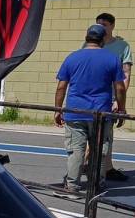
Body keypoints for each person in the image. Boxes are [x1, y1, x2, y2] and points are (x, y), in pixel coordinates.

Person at [54, 24, 126, 191]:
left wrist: (58, 109)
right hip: (101, 113)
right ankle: (96, 185)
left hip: (75, 112)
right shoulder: (112, 58)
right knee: (99, 150)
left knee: (76, 151)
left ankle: (72, 185)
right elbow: (120, 88)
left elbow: (61, 87)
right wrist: (121, 109)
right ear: (102, 40)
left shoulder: (72, 58)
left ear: (86, 38)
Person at [93, 13, 134, 181]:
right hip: (92, 96)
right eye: (98, 24)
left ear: (112, 26)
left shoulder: (122, 46)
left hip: (110, 97)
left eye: (105, 24)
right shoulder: (91, 45)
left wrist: (119, 99)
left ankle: (106, 168)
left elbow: (126, 74)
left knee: (106, 135)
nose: (101, 27)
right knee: (93, 133)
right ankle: (89, 165)